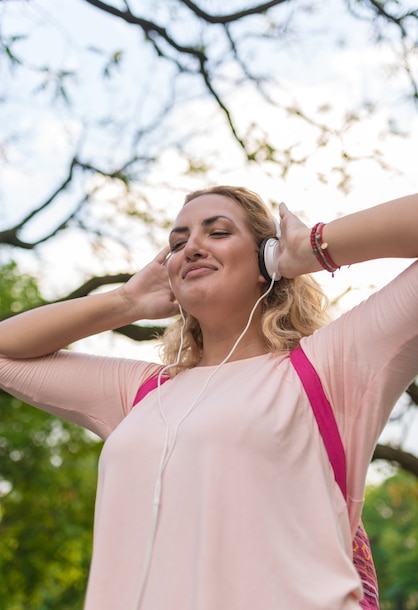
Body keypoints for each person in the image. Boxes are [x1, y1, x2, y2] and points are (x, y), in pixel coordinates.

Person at [0, 185, 417, 610]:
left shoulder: (328, 368)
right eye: (178, 243)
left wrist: (310, 248)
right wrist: (126, 302)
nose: (191, 248)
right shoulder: (142, 392)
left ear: (265, 260)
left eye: (217, 233)